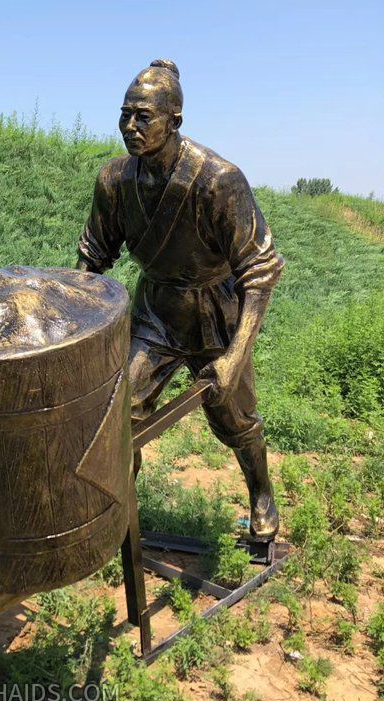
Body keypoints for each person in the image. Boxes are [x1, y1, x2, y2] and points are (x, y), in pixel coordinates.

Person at [75, 59, 284, 538]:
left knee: (235, 416)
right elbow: (94, 257)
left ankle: (262, 491)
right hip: (157, 312)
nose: (131, 126)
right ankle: (119, 506)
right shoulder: (114, 180)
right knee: (121, 407)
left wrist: (235, 355)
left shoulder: (219, 180)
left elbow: (261, 270)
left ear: (175, 122)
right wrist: (75, 323)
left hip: (218, 312)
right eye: (125, 114)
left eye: (143, 116)